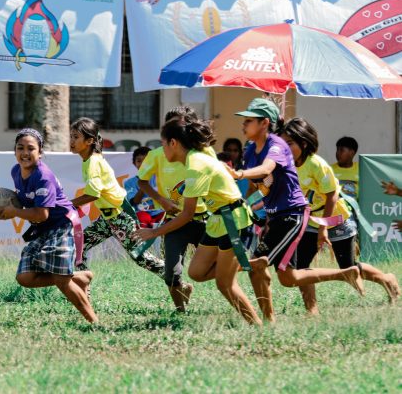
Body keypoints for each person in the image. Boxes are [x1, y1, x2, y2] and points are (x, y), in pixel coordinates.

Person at [226, 98, 364, 323]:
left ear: (264, 123)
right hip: (285, 216)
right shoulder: (253, 150)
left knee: (257, 264)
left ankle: (268, 320)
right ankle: (344, 274)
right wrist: (241, 202)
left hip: (309, 217)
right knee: (289, 277)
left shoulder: (282, 151)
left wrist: (324, 228)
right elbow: (265, 184)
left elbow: (330, 195)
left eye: (249, 120)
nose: (243, 125)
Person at [137, 118, 262, 325]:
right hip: (217, 220)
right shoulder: (195, 158)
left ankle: (257, 325)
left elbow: (186, 215)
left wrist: (153, 233)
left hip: (234, 221)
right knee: (196, 273)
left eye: (163, 143)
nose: (162, 149)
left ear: (174, 143)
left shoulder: (195, 165)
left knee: (225, 284)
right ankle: (249, 265)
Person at [280, 118, 399, 311]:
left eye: (289, 143)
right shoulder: (288, 165)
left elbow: (332, 195)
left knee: (347, 265)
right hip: (310, 220)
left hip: (336, 219)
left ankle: (387, 279)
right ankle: (312, 310)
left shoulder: (317, 164)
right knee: (302, 266)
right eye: (282, 142)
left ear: (303, 143)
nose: (284, 148)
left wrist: (323, 228)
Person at [0, 128, 97, 323]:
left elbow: (41, 214)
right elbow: (25, 200)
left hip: (62, 225)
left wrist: (14, 212)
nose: (25, 153)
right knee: (25, 278)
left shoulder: (43, 176)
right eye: (20, 148)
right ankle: (80, 277)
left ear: (40, 152)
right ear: (15, 151)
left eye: (31, 148)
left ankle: (94, 322)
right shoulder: (15, 170)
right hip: (43, 228)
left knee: (62, 281)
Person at [69, 117, 166, 281]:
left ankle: (175, 277)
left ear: (89, 140)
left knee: (140, 257)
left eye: (76, 137)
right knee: (79, 246)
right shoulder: (89, 160)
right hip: (109, 218)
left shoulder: (93, 162)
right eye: (71, 136)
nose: (71, 141)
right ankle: (82, 284)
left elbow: (93, 194)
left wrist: (68, 204)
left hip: (119, 217)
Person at [135, 106, 210, 311]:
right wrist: (162, 200)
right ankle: (180, 310)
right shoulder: (159, 154)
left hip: (205, 219)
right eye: (173, 127)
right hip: (175, 221)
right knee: (171, 273)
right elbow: (141, 181)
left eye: (183, 126)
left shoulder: (202, 154)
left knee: (218, 266)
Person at [123, 146, 164, 228]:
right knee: (141, 218)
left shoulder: (162, 178)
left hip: (160, 212)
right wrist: (144, 184)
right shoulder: (129, 183)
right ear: (134, 163)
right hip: (141, 213)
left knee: (169, 218)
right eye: (139, 161)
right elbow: (135, 201)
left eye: (146, 160)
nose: (142, 164)